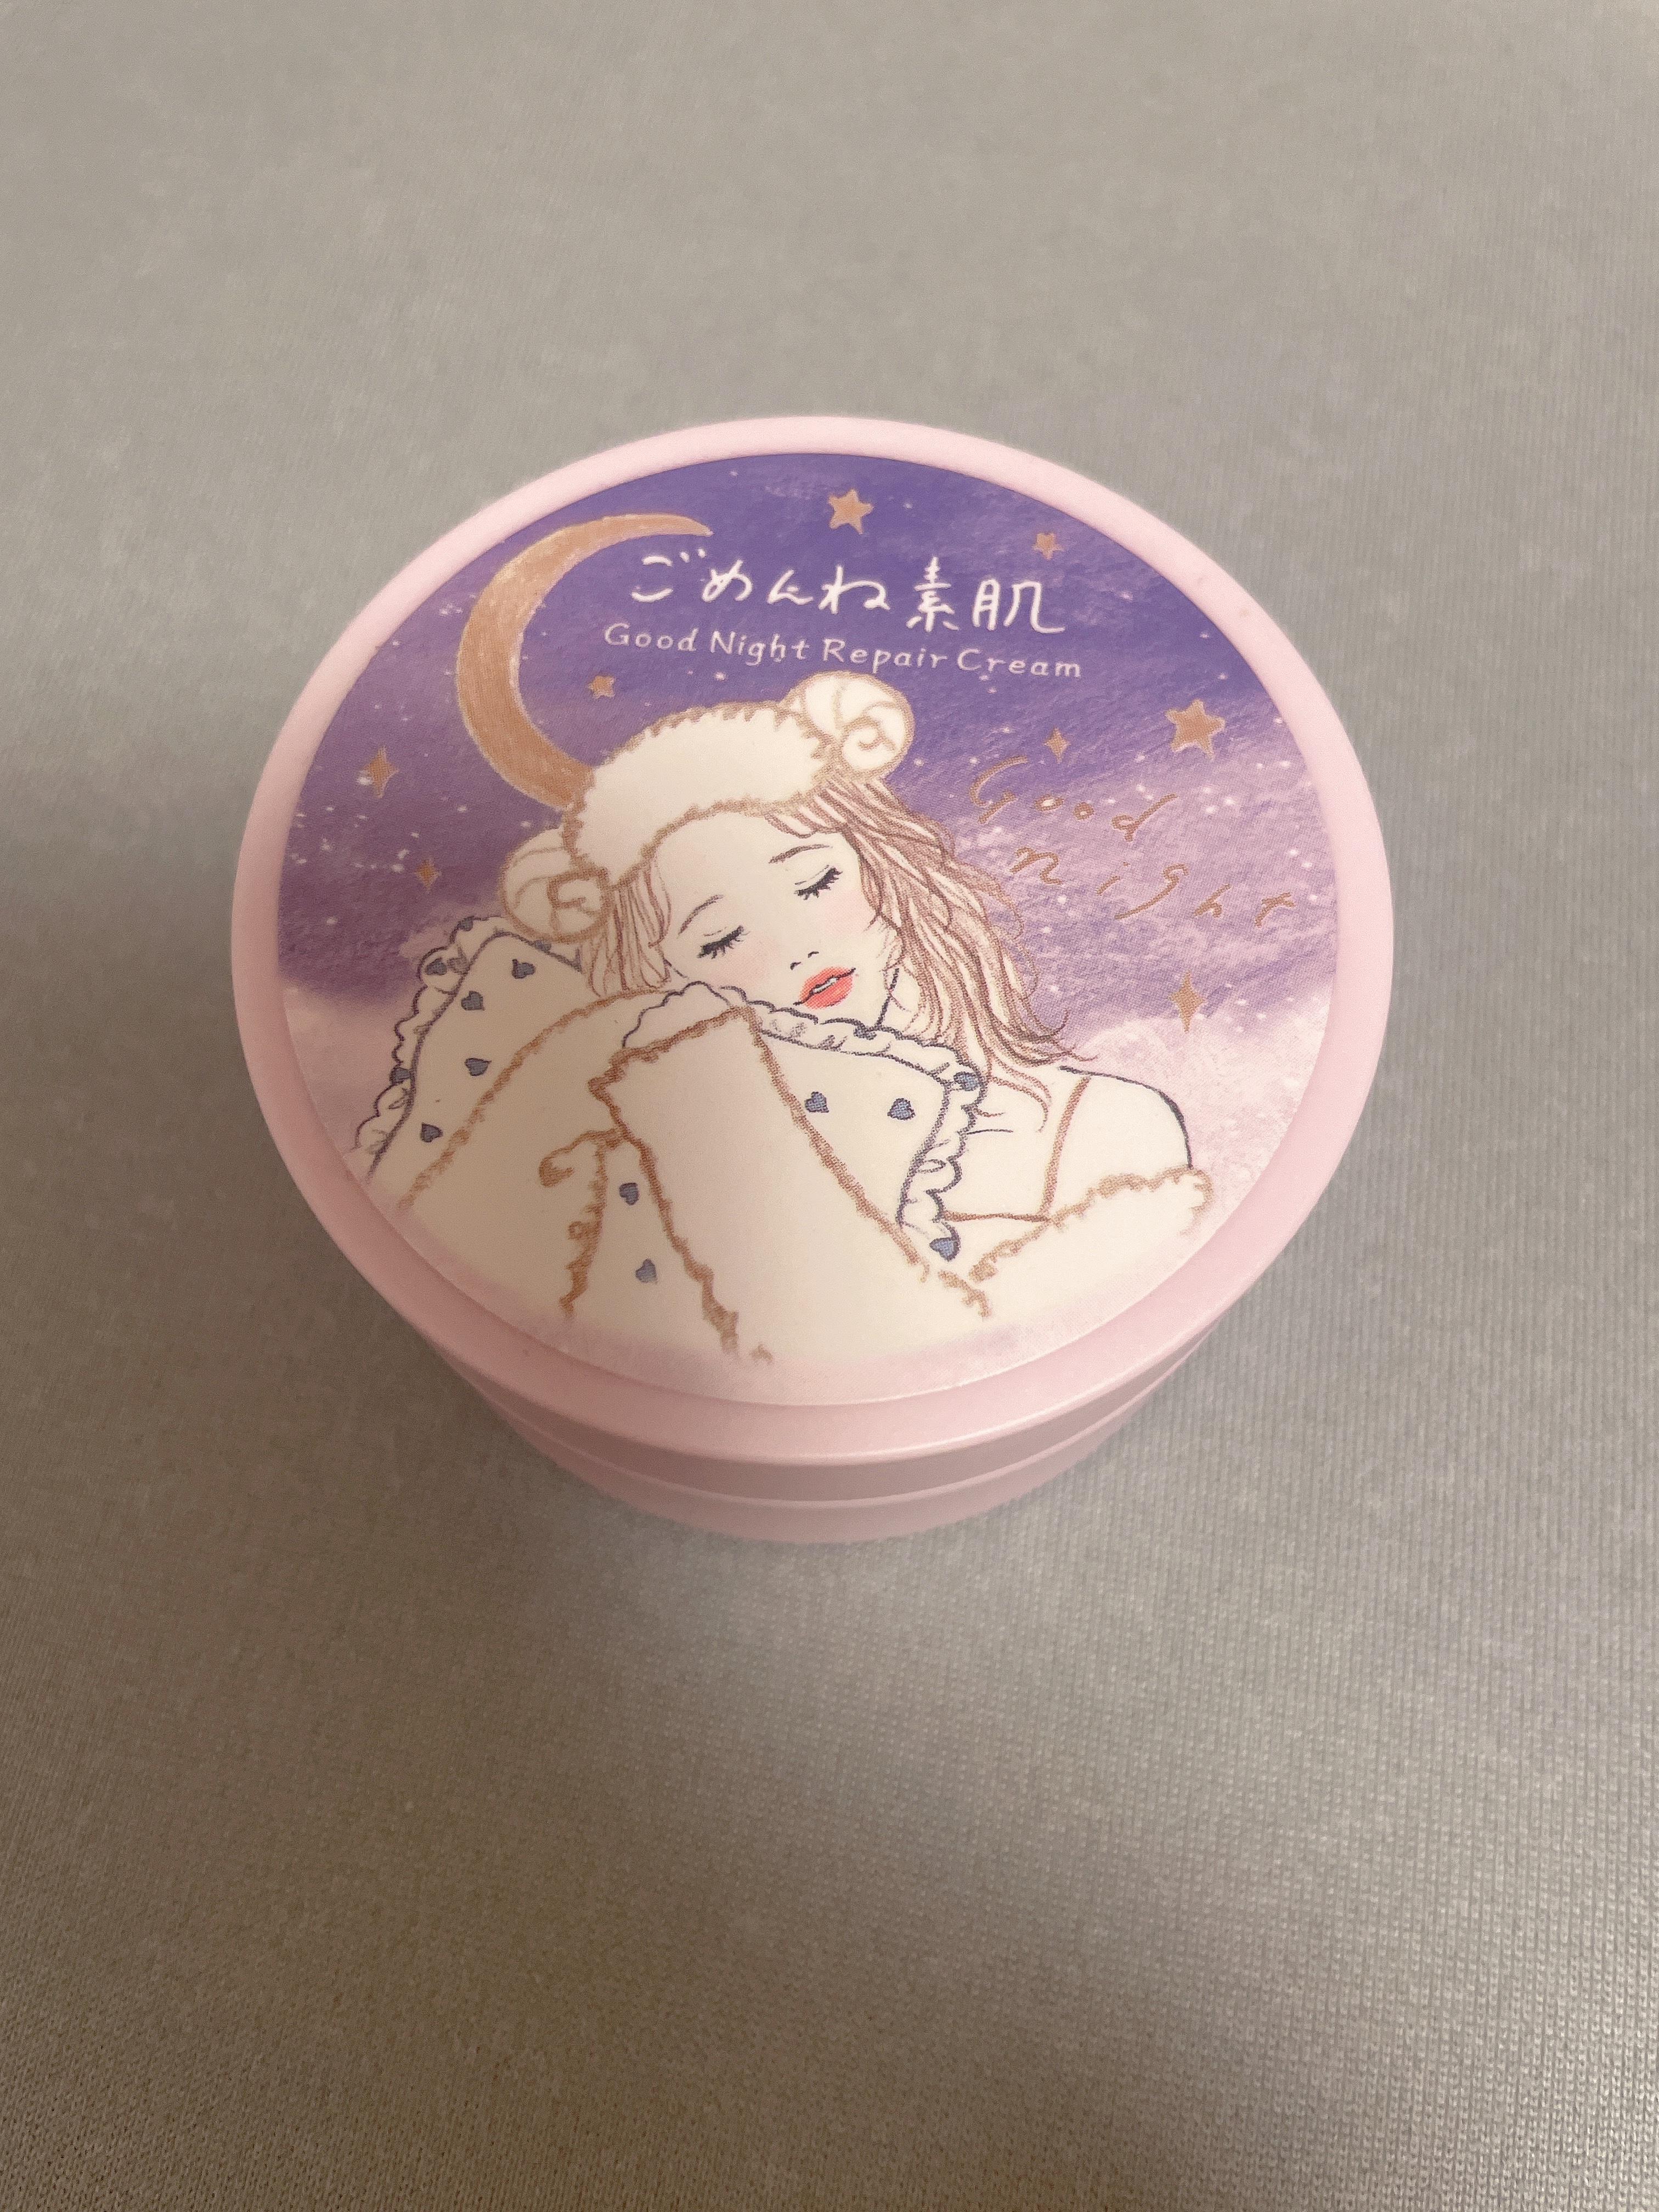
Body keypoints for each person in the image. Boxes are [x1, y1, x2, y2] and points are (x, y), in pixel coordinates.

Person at [359, 673, 1209, 1364]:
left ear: (887, 871)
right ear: (661, 982)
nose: (797, 945)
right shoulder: (648, 1160)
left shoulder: (1106, 1131)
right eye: (721, 938)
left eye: (814, 883)